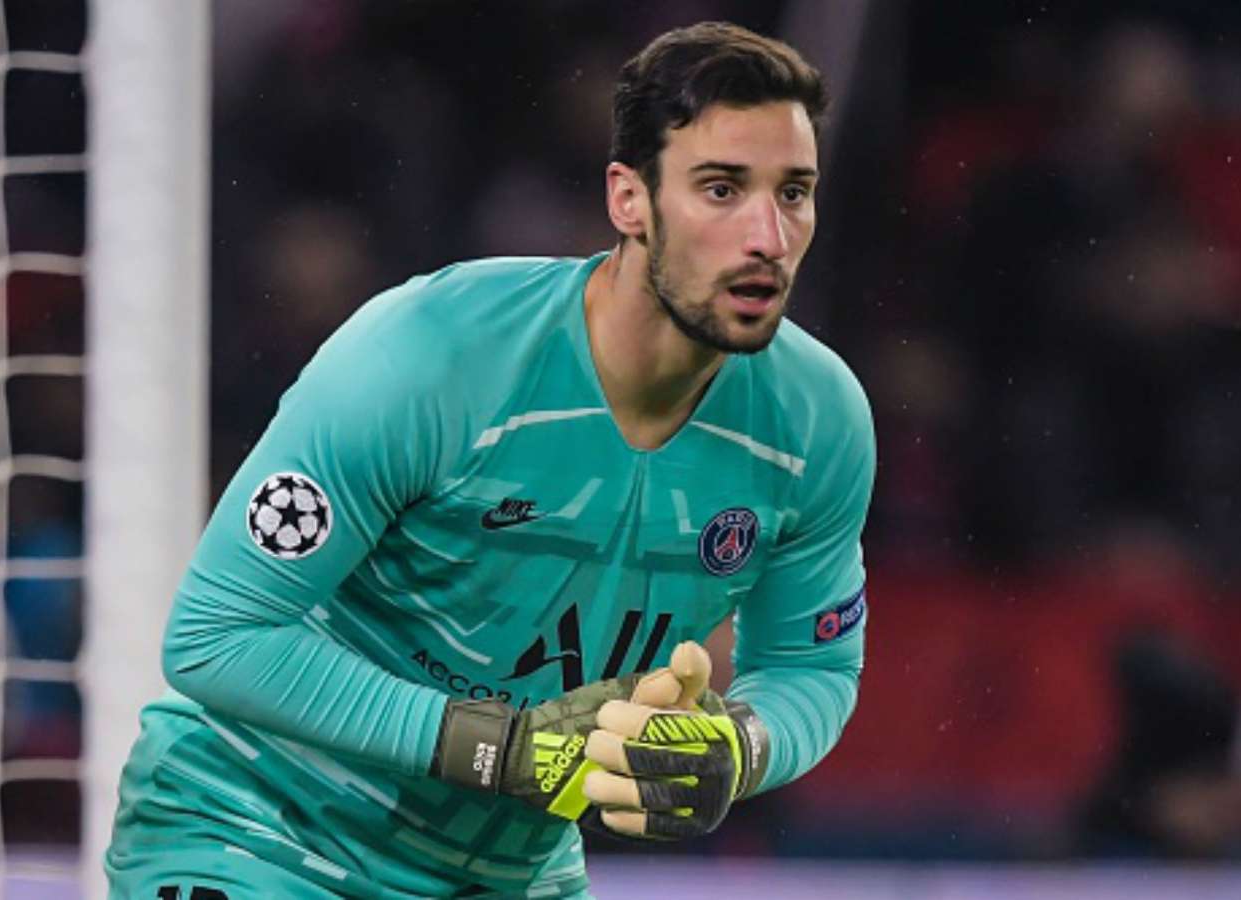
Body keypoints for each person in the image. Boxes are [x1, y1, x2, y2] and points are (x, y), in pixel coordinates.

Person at [105, 21, 875, 899]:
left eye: (794, 193)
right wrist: (498, 749)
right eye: (722, 189)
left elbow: (813, 669)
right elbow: (217, 637)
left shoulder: (817, 421)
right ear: (629, 200)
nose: (768, 235)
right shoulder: (433, 355)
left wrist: (738, 748)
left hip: (505, 875)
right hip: (255, 832)